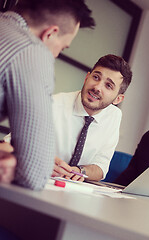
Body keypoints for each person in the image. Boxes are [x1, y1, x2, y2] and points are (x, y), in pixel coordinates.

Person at [0, 0, 95, 190]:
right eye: (62, 48)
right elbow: (34, 174)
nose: (56, 55)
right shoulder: (32, 50)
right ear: (50, 34)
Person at [51, 54, 132, 181]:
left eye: (108, 86)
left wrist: (79, 171)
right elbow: (11, 144)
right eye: (96, 77)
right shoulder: (54, 104)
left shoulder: (114, 116)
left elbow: (101, 167)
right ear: (86, 77)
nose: (97, 87)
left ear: (118, 99)